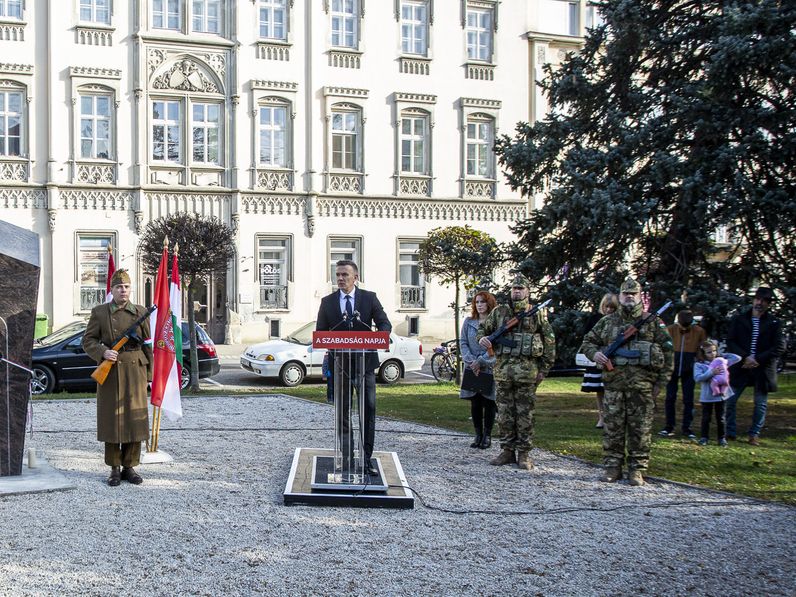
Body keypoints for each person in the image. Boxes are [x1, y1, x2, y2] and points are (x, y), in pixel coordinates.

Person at [579, 277, 673, 486]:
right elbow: (587, 343)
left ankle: (637, 469)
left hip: (643, 387)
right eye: (625, 294)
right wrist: (596, 355)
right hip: (613, 386)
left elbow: (668, 355)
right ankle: (612, 467)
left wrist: (661, 383)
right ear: (620, 296)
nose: (629, 297)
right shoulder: (607, 322)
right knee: (613, 428)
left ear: (640, 297)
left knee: (640, 429)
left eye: (633, 294)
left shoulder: (653, 323)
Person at [316, 260, 391, 475]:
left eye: (344, 275)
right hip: (341, 366)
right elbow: (321, 331)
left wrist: (380, 336)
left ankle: (365, 459)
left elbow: (384, 323)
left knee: (367, 411)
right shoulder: (328, 302)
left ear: (355, 277)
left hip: (365, 365)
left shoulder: (369, 298)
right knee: (343, 413)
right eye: (337, 275)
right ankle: (347, 457)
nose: (340, 278)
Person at [477, 274, 555, 471]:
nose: (517, 291)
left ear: (528, 291)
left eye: (520, 289)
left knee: (525, 415)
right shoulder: (499, 312)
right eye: (514, 288)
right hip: (503, 372)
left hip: (527, 374)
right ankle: (507, 450)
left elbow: (549, 342)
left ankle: (524, 453)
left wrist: (544, 370)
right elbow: (483, 329)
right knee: (504, 414)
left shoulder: (536, 314)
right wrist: (482, 339)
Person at [82, 269, 152, 487]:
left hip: (135, 370)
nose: (123, 290)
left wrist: (149, 375)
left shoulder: (140, 311)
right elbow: (88, 341)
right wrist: (103, 352)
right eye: (119, 287)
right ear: (111, 290)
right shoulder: (99, 312)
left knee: (134, 419)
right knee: (112, 419)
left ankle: (129, 466)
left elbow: (148, 345)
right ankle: (114, 468)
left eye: (127, 287)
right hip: (110, 371)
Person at [724, 287, 784, 446]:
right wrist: (745, 357)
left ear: (768, 304)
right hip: (741, 367)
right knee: (730, 400)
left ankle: (754, 434)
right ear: (753, 300)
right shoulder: (740, 319)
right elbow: (731, 341)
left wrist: (757, 358)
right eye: (758, 299)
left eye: (764, 301)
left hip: (762, 369)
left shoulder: (774, 323)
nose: (760, 303)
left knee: (760, 404)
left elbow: (778, 347)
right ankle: (730, 432)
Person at [658, 309, 706, 439]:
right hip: (672, 367)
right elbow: (663, 347)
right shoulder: (670, 330)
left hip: (689, 368)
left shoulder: (699, 331)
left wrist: (699, 359)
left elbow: (702, 349)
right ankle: (669, 426)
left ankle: (687, 428)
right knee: (670, 397)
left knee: (688, 399)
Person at [460, 291, 498, 449]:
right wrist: (470, 360)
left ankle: (487, 436)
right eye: (477, 302)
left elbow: (495, 345)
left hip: (487, 366)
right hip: (471, 366)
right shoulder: (469, 322)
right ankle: (478, 434)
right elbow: (463, 342)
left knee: (488, 402)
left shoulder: (495, 324)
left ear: (489, 303)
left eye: (483, 302)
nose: (480, 305)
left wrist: (481, 361)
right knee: (475, 402)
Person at [580, 293, 619, 428]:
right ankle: (601, 417)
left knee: (612, 389)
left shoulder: (619, 321)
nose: (609, 310)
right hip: (598, 359)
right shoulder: (595, 319)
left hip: (614, 360)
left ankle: (612, 416)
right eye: (606, 307)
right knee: (599, 389)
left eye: (612, 308)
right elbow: (587, 339)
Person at [694, 340, 740, 446]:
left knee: (721, 418)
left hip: (721, 396)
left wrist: (721, 355)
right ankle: (704, 437)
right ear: (703, 353)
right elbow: (697, 378)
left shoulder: (721, 361)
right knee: (706, 417)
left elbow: (737, 358)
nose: (712, 354)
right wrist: (711, 372)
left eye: (714, 351)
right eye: (709, 352)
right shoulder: (699, 364)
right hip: (707, 396)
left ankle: (721, 438)